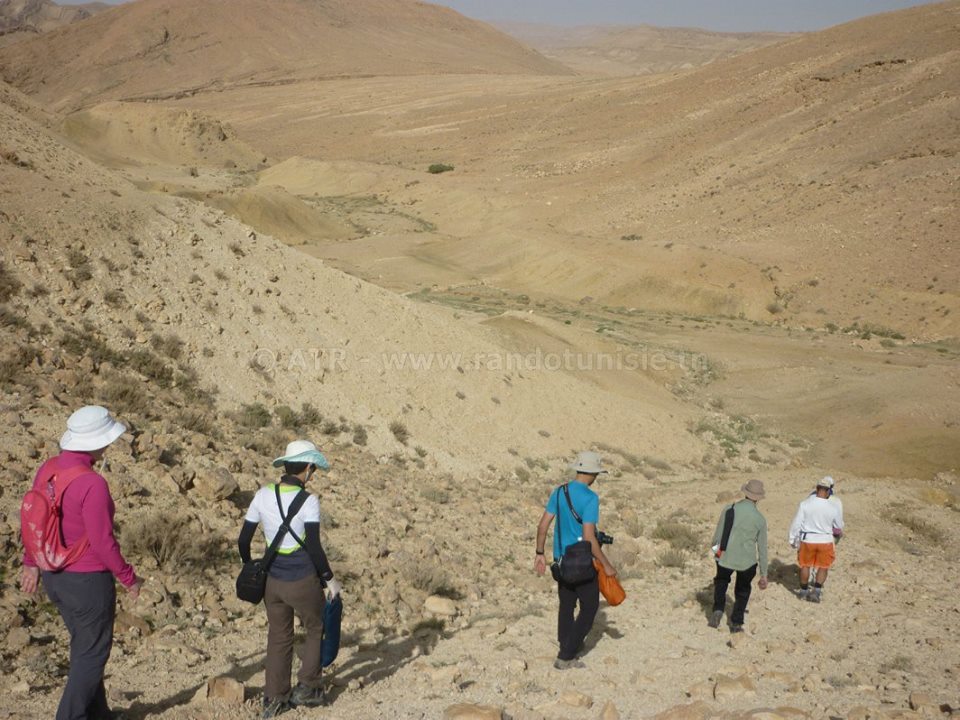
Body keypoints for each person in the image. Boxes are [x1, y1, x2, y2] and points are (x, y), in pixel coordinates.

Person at [19, 405, 144, 720]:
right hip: (88, 581)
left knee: (85, 648)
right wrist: (129, 578)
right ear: (96, 442)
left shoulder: (48, 468)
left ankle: (97, 713)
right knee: (92, 654)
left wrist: (30, 561)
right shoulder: (92, 484)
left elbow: (35, 520)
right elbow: (103, 541)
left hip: (55, 578)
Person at [238, 440, 342, 718]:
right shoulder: (309, 501)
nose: (313, 474)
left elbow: (244, 539)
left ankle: (273, 698)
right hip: (303, 580)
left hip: (272, 581)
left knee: (278, 636)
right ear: (308, 468)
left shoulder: (262, 494)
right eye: (313, 470)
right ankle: (307, 687)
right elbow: (316, 549)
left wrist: (250, 566)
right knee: (315, 626)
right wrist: (330, 580)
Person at [534, 451, 617, 669]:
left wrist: (539, 553)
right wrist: (607, 565)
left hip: (560, 562)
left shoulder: (559, 492)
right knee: (589, 608)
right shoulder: (591, 498)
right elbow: (589, 536)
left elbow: (543, 526)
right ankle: (566, 655)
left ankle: (566, 643)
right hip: (581, 563)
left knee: (567, 604)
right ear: (591, 473)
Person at [708, 479, 769, 633]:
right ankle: (736, 622)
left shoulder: (729, 509)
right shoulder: (760, 520)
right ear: (759, 498)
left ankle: (718, 609)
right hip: (747, 561)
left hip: (725, 555)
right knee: (742, 591)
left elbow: (717, 536)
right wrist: (764, 574)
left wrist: (716, 553)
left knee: (721, 582)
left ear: (745, 493)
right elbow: (762, 548)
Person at [789, 476, 844, 603]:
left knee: (805, 565)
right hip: (825, 540)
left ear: (817, 488)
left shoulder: (805, 504)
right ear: (829, 491)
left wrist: (793, 539)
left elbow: (796, 523)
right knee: (823, 567)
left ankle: (803, 592)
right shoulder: (833, 507)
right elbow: (838, 526)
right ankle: (816, 592)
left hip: (808, 539)